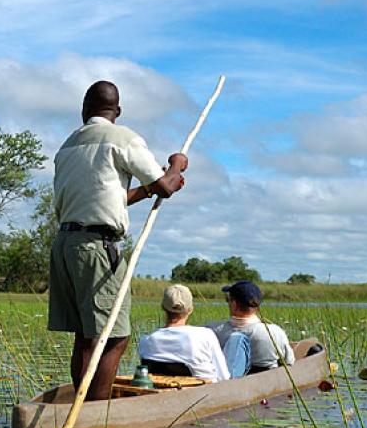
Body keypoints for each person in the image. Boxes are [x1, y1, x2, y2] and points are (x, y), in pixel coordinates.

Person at [49, 80, 188, 401]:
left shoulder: (68, 146)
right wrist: (177, 164)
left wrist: (152, 188)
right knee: (114, 337)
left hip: (65, 246)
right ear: (118, 111)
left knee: (86, 336)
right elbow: (166, 185)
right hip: (98, 248)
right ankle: (95, 411)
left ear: (84, 111)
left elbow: (110, 198)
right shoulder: (122, 138)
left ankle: (82, 407)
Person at [138, 284, 229, 382]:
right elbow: (224, 377)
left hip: (163, 392)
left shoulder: (146, 341)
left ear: (163, 307)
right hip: (204, 392)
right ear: (190, 309)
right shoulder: (205, 335)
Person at [208, 280, 295, 377]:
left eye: (228, 299)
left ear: (234, 304)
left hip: (227, 384)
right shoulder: (275, 332)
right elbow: (289, 362)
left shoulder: (212, 331)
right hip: (268, 383)